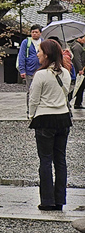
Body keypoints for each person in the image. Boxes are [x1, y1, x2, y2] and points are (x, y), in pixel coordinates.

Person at [29, 37, 72, 211]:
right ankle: (60, 199)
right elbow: (66, 94)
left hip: (45, 118)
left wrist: (31, 115)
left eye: (39, 51)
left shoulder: (41, 75)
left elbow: (34, 99)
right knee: (60, 160)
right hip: (63, 118)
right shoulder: (66, 73)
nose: (38, 54)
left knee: (45, 161)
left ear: (46, 54)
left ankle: (47, 200)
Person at [19, 25, 44, 111]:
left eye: (36, 32)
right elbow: (21, 56)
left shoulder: (43, 43)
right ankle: (30, 108)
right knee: (30, 90)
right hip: (29, 70)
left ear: (40, 33)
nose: (34, 34)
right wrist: (22, 70)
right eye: (32, 32)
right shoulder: (26, 42)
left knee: (41, 90)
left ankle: (40, 107)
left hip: (41, 69)